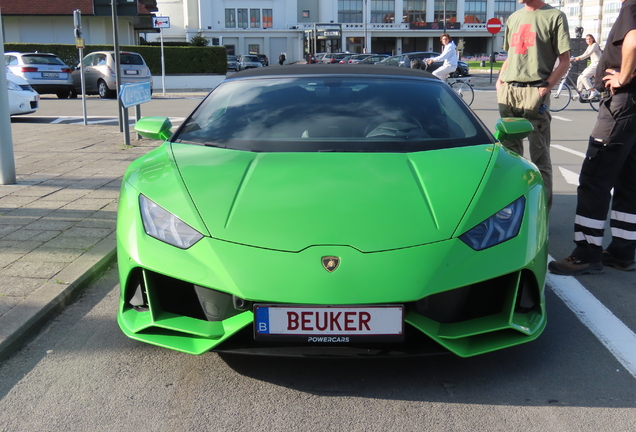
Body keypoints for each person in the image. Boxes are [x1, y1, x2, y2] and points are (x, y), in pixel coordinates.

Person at [548, 0, 636, 275]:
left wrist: (624, 76)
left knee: (594, 179)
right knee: (629, 180)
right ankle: (623, 251)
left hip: (622, 104)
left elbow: (633, 39)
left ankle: (587, 253)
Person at [495, 0, 571, 211]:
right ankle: (515, 214)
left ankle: (541, 215)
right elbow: (511, 55)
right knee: (510, 158)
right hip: (509, 91)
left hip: (535, 90)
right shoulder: (514, 17)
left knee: (539, 157)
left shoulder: (554, 16)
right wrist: (500, 81)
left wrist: (545, 88)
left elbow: (565, 60)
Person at [572, 34, 602, 99]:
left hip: (597, 64)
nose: (588, 40)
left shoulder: (595, 45)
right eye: (587, 39)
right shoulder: (589, 46)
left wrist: (578, 58)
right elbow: (584, 55)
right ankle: (579, 93)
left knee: (584, 77)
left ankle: (593, 91)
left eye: (590, 39)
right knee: (580, 77)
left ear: (593, 39)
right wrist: (572, 59)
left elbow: (588, 54)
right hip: (593, 64)